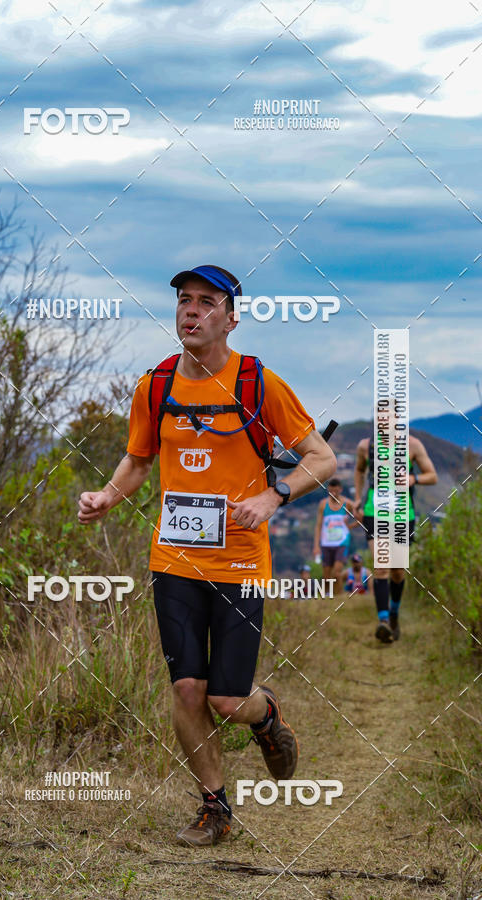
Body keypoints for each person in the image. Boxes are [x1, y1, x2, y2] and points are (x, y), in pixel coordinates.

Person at [78, 264, 336, 846]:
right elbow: (138, 461)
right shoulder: (156, 384)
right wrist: (106, 495)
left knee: (226, 697)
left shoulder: (257, 383)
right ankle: (214, 808)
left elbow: (321, 459)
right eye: (183, 301)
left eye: (206, 302)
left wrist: (273, 495)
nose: (191, 311)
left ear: (230, 317)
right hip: (174, 561)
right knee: (187, 690)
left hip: (241, 562)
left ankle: (265, 714)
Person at [354, 424, 437, 642]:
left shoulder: (412, 445)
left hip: (402, 515)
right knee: (381, 566)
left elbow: (432, 476)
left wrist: (413, 479)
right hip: (375, 513)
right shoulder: (366, 446)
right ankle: (382, 622)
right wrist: (357, 498)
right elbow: (359, 470)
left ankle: (394, 615)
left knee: (398, 571)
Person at [313, 478, 357, 597]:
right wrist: (316, 546)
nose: (333, 493)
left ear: (340, 490)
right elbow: (318, 526)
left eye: (336, 491)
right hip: (326, 543)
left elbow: (360, 516)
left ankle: (339, 597)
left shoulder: (347, 503)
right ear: (328, 490)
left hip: (342, 543)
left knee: (336, 572)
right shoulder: (323, 504)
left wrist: (350, 527)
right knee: (327, 576)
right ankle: (326, 597)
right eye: (331, 491)